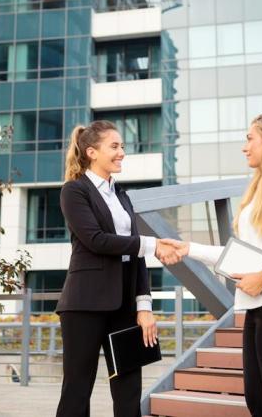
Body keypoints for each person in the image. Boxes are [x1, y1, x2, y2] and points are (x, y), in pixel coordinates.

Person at [166, 113, 262, 417]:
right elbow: (240, 256)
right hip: (257, 307)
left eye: (250, 138)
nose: (245, 147)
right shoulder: (257, 192)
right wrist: (189, 248)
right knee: (258, 400)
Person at [55, 120, 183, 417]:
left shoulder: (122, 196)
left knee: (129, 389)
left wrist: (144, 306)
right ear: (91, 152)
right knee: (77, 389)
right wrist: (152, 245)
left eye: (122, 146)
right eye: (114, 146)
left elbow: (135, 254)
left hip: (124, 306)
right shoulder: (74, 191)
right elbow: (97, 241)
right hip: (84, 305)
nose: (122, 152)